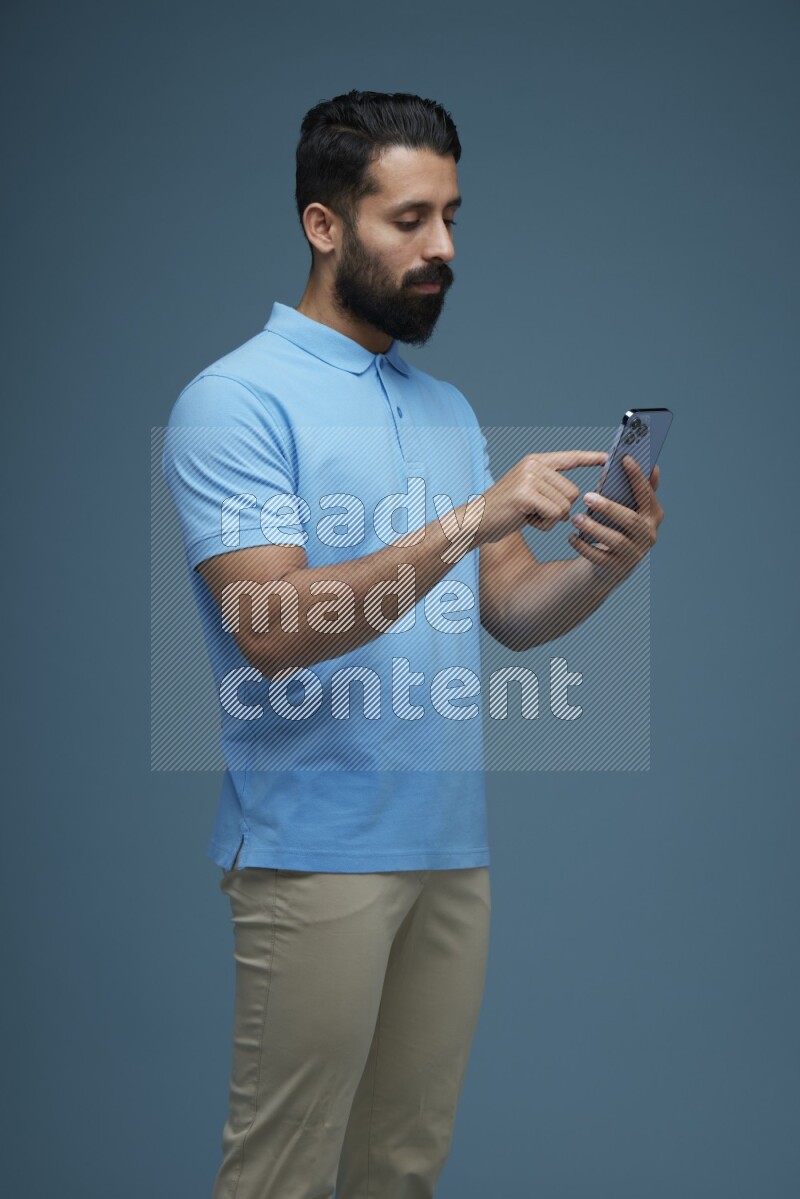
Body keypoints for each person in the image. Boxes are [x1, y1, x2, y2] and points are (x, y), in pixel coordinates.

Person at [162, 89, 664, 1199]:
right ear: (323, 224)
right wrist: (466, 518)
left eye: (450, 215)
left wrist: (603, 564)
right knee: (281, 1177)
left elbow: (512, 614)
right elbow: (271, 628)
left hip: (449, 849)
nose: (442, 247)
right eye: (409, 219)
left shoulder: (442, 405)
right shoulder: (234, 401)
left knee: (400, 1171)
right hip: (309, 853)